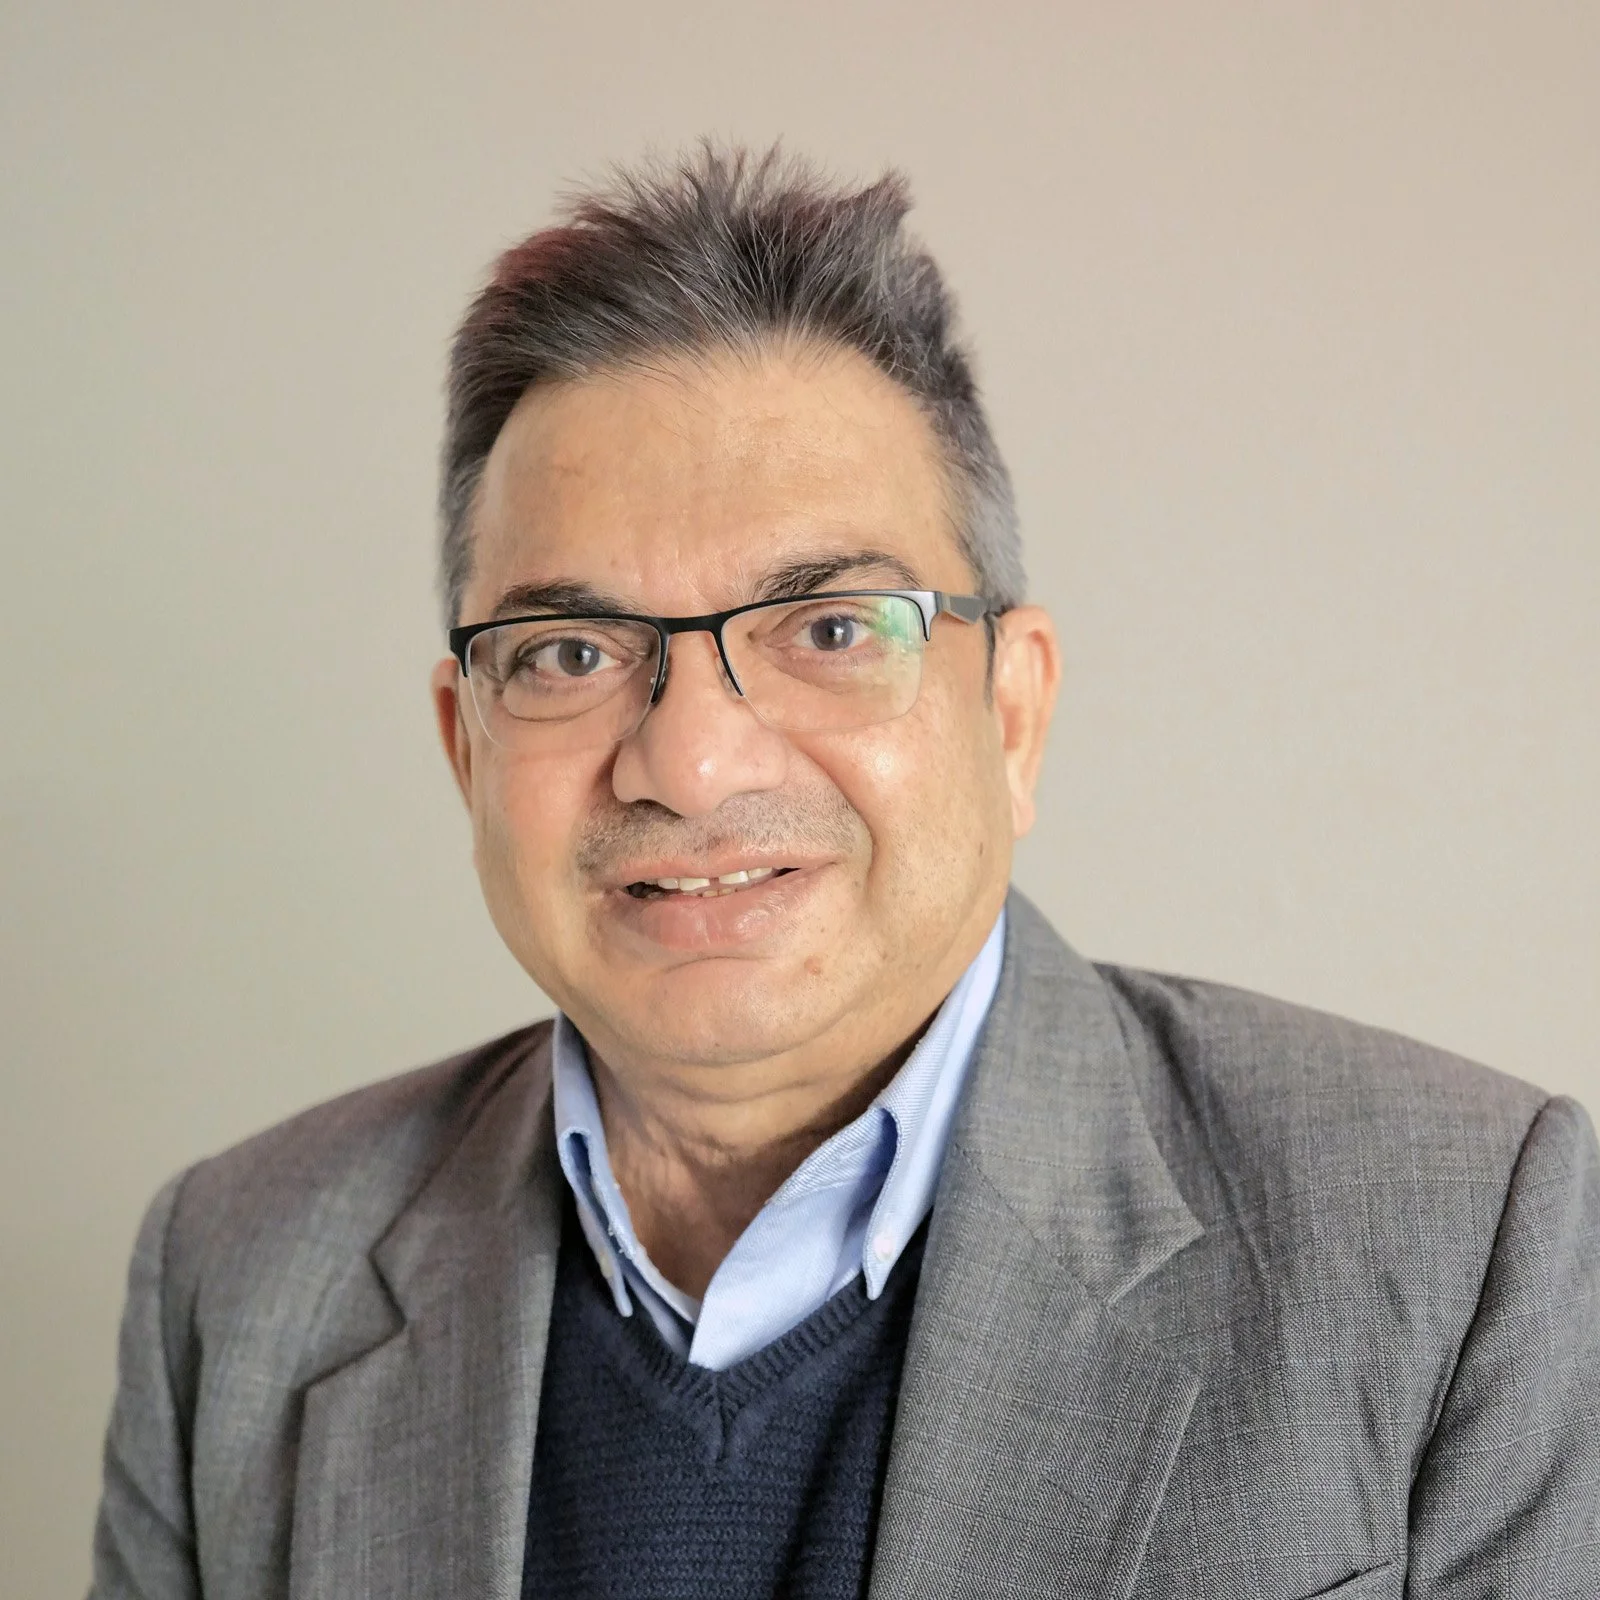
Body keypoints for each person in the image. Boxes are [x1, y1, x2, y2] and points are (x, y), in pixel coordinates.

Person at [91, 146, 1599, 1600]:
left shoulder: (1463, 1243)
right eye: (567, 652)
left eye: (825, 630)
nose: (689, 762)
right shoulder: (239, 1275)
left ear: (1012, 714)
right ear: (465, 745)